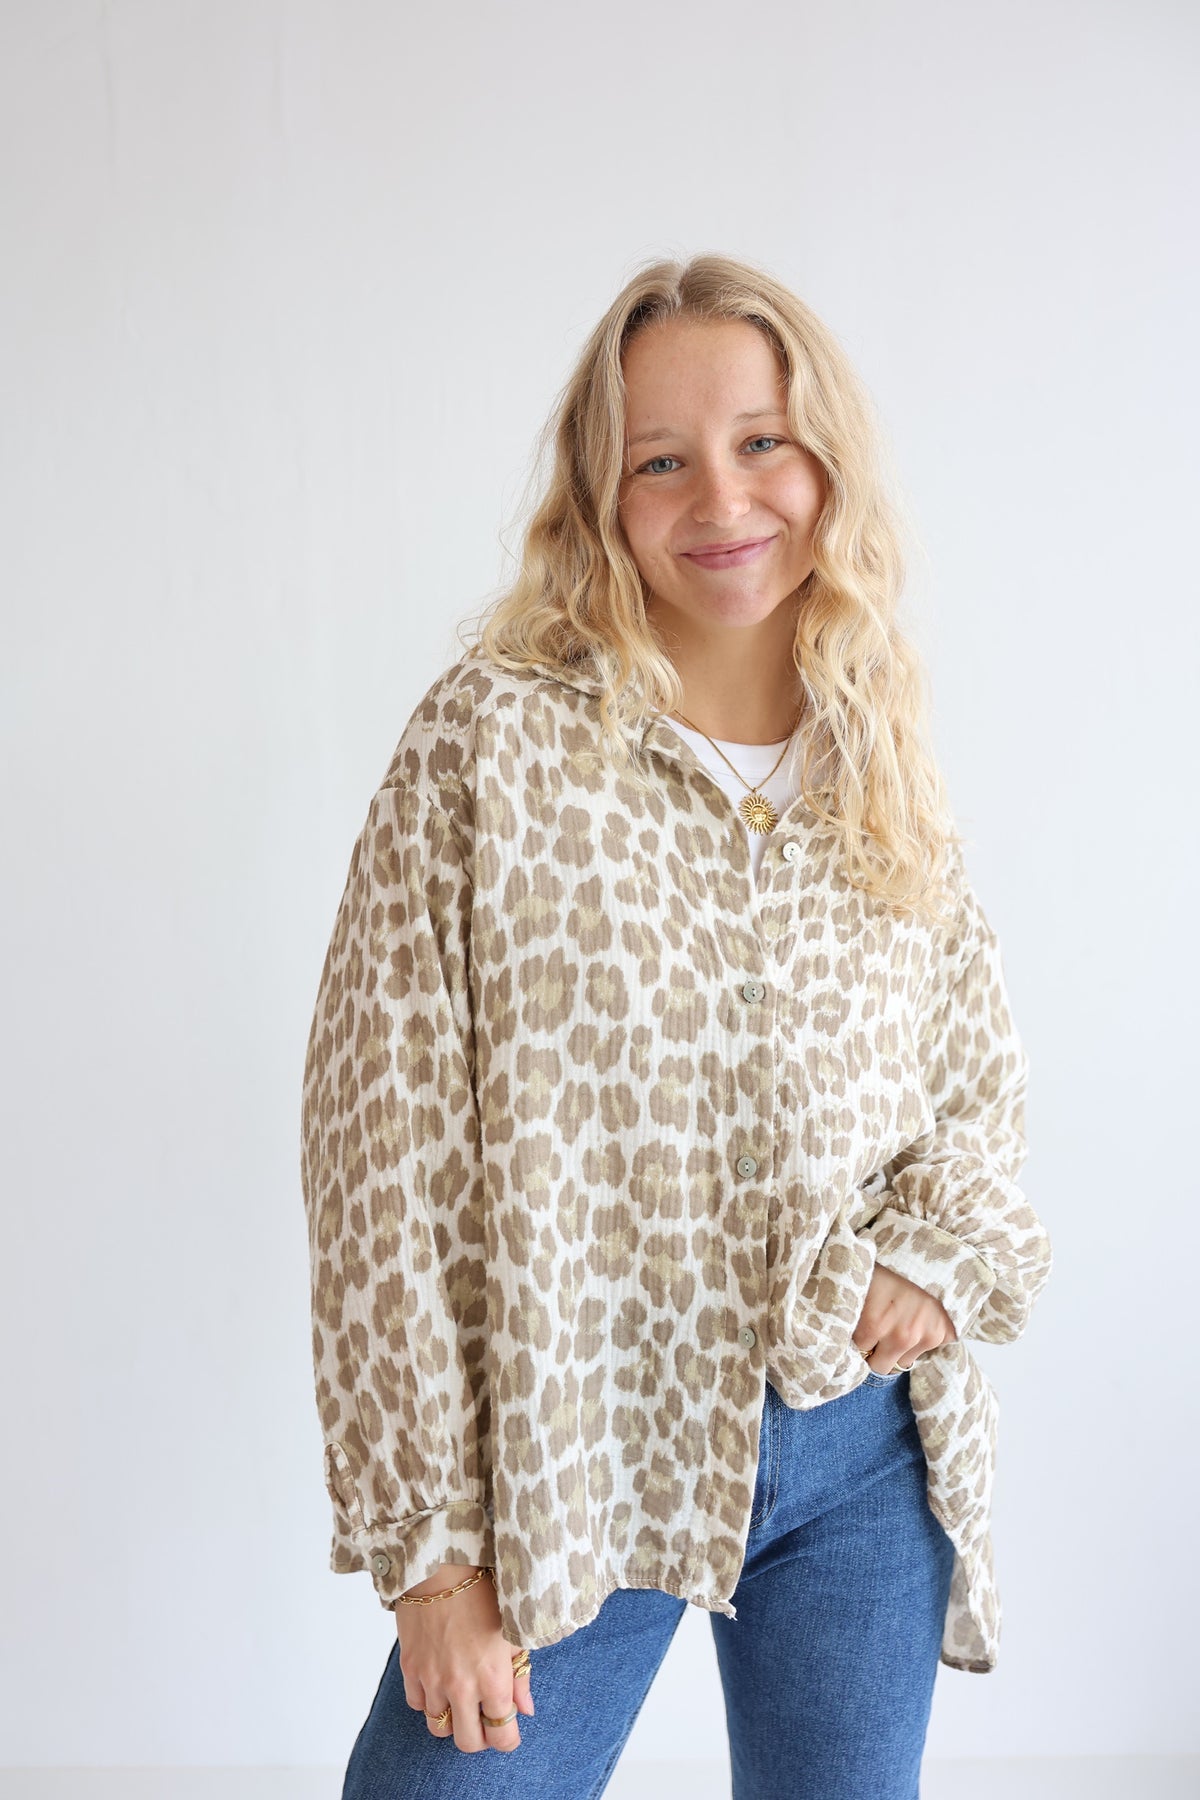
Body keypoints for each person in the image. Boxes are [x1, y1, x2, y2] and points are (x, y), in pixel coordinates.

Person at [300, 251, 1053, 1799]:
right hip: (579, 1457)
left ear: (826, 461)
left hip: (858, 1450)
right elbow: (378, 1163)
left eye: (762, 440)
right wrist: (434, 1557)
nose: (722, 496)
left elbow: (977, 1076)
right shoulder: (491, 746)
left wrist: (931, 1251)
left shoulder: (874, 750)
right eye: (661, 460)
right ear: (602, 496)